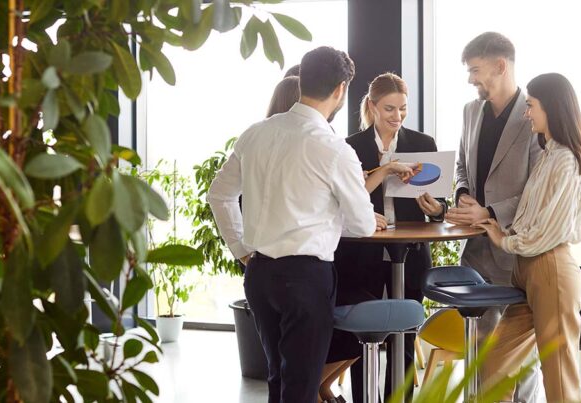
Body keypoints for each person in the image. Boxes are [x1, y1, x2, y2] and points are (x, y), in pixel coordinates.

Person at [208, 46, 382, 403]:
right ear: (341, 90)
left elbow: (219, 196)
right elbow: (363, 224)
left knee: (279, 379)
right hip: (306, 278)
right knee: (301, 388)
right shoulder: (334, 149)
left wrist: (241, 249)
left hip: (259, 274)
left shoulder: (255, 133)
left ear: (302, 81)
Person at [475, 72, 581, 402]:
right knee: (494, 364)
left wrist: (504, 240)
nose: (527, 113)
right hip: (527, 271)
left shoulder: (567, 161)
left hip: (550, 270)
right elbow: (533, 219)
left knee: (558, 377)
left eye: (531, 106)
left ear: (552, 108)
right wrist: (501, 229)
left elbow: (550, 230)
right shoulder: (548, 155)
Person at [322, 73, 445, 403]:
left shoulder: (423, 144)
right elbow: (343, 202)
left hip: (411, 252)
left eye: (403, 109)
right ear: (373, 107)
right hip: (361, 254)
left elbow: (440, 202)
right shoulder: (349, 147)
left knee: (405, 337)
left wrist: (434, 209)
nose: (397, 116)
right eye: (389, 109)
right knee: (366, 338)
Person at [445, 32, 542, 402]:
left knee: (521, 356)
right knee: (479, 348)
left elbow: (538, 188)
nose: (470, 79)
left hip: (516, 252)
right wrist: (463, 195)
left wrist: (489, 213)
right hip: (474, 250)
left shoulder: (533, 114)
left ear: (501, 66)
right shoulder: (471, 111)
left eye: (475, 70)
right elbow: (461, 165)